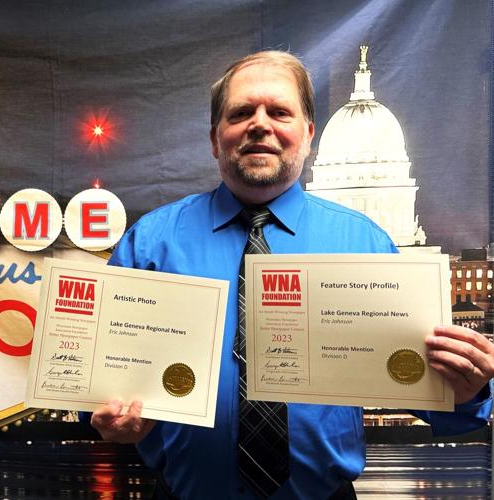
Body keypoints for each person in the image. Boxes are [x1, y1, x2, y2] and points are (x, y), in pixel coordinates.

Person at [89, 51, 494, 499]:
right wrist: (109, 413)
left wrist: (465, 391)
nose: (260, 124)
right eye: (241, 112)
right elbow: (104, 381)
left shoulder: (366, 243)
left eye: (279, 112)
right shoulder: (150, 243)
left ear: (307, 134)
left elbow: (436, 402)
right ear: (214, 138)